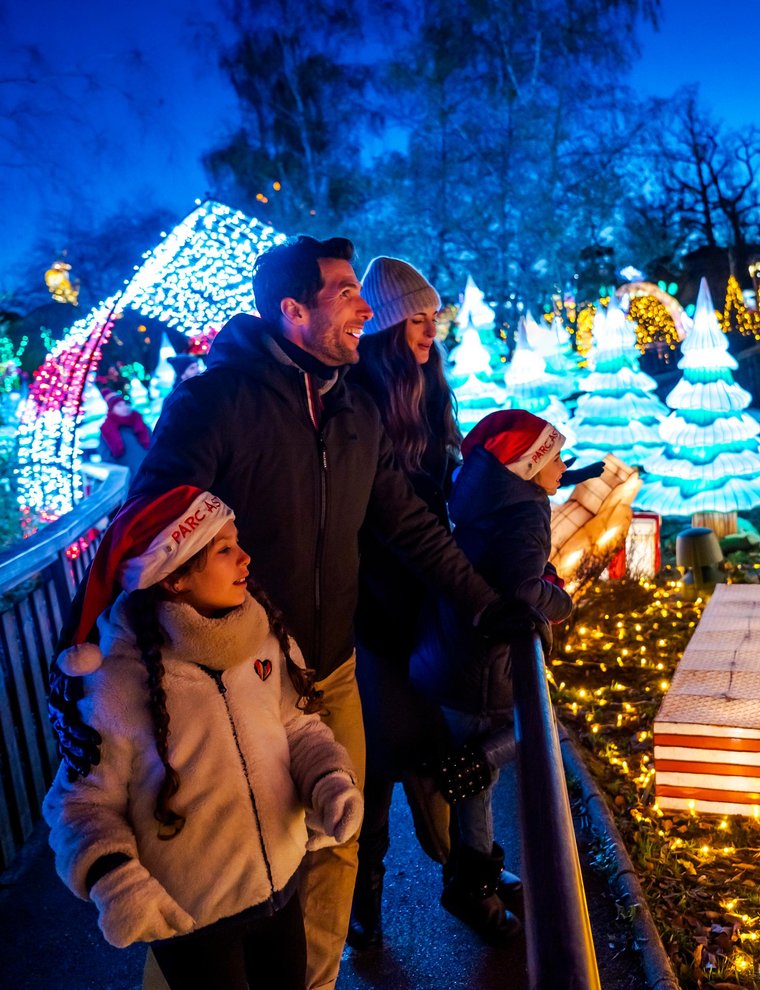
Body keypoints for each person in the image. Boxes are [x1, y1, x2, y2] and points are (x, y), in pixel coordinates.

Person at [48, 235, 542, 990]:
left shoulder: (355, 411)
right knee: (203, 860)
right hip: (225, 673)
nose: (362, 306)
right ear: (291, 311)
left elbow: (406, 522)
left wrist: (486, 605)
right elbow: (154, 531)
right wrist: (115, 676)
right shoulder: (218, 404)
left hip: (332, 668)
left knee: (334, 835)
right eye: (344, 291)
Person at [44, 486, 363, 990]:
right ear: (174, 577)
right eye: (224, 549)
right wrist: (121, 887)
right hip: (191, 920)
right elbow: (81, 804)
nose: (246, 558)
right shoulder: (117, 680)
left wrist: (329, 782)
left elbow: (299, 727)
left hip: (281, 887)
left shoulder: (265, 637)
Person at [343, 256, 477, 950]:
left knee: (413, 740)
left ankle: (465, 874)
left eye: (434, 320)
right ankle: (365, 902)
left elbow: (439, 485)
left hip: (418, 592)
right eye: (419, 322)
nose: (432, 334)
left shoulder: (428, 388)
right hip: (372, 599)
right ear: (391, 328)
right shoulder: (361, 398)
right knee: (376, 751)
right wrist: (473, 592)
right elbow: (397, 515)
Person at [410, 409, 575, 942]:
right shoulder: (526, 512)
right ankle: (471, 886)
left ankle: (478, 870)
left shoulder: (485, 499)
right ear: (527, 466)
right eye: (553, 457)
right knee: (493, 762)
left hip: (451, 656)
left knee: (477, 782)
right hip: (482, 670)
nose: (562, 465)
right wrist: (561, 600)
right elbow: (526, 588)